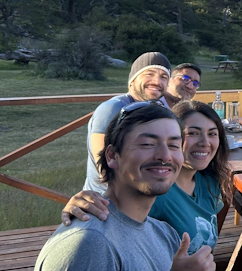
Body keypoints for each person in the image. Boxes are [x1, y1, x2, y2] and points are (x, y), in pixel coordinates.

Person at [36, 102, 214, 271]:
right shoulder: (90, 243)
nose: (165, 156)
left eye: (174, 145)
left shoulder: (165, 234)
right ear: (113, 156)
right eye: (148, 144)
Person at [84, 52, 171, 193]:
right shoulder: (113, 108)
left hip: (140, 199)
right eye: (149, 74)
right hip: (105, 202)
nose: (157, 81)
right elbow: (103, 165)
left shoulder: (154, 110)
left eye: (164, 77)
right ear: (132, 80)